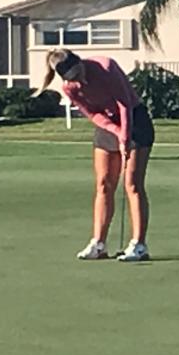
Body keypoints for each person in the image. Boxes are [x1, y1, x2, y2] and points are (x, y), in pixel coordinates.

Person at [38, 49, 155, 262]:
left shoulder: (106, 67)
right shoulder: (70, 88)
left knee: (132, 184)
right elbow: (93, 114)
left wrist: (126, 137)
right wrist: (117, 133)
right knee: (103, 183)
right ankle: (98, 244)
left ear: (81, 62)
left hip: (135, 120)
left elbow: (125, 104)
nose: (80, 81)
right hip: (108, 127)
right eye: (74, 79)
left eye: (80, 74)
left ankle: (139, 245)